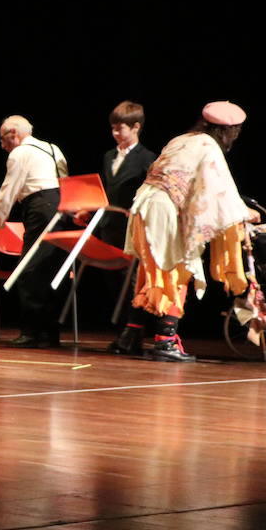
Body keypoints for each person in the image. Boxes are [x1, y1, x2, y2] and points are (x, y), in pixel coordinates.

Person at [121, 101, 259, 362]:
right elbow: (221, 190)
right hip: (164, 209)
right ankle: (166, 341)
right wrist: (243, 211)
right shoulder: (209, 147)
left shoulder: (182, 139)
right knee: (182, 268)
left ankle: (130, 335)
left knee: (151, 272)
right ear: (230, 131)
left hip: (143, 205)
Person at [0, 115, 69, 348]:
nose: (2, 145)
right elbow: (67, 182)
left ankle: (32, 332)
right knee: (51, 270)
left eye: (3, 139)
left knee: (29, 270)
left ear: (13, 133)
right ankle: (50, 333)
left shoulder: (19, 153)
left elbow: (7, 193)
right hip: (61, 209)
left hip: (40, 209)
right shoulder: (54, 148)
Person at [88, 101, 158, 354]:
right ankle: (124, 333)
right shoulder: (109, 156)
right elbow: (108, 189)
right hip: (109, 225)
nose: (116, 133)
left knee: (131, 283)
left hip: (132, 227)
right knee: (113, 282)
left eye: (121, 128)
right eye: (113, 128)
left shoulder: (148, 158)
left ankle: (133, 334)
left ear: (136, 127)